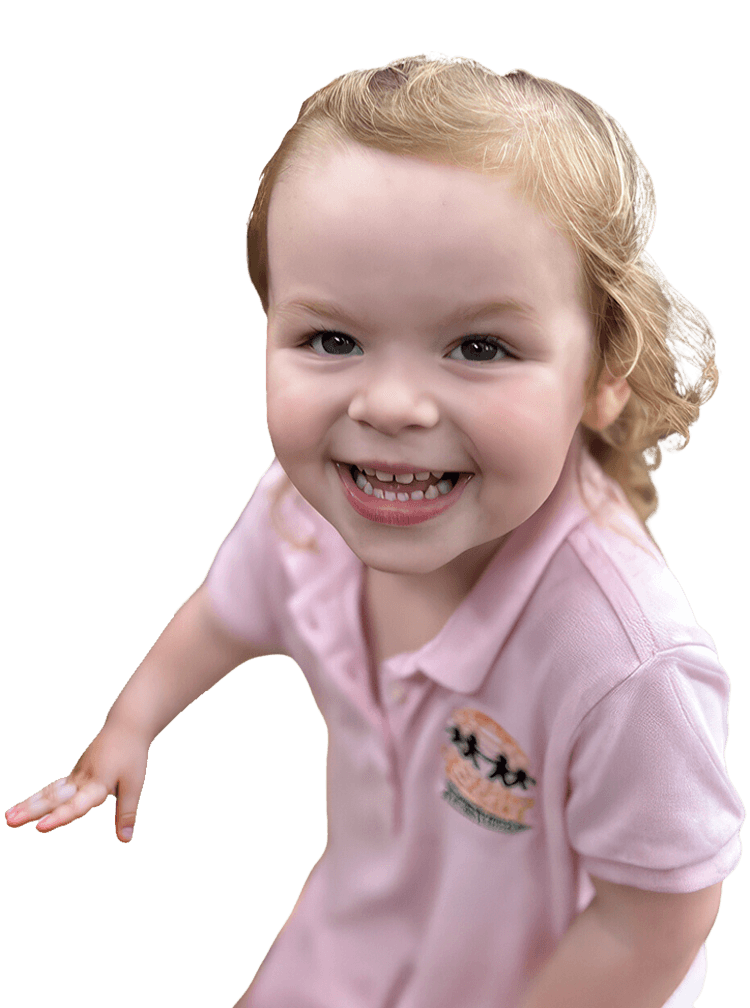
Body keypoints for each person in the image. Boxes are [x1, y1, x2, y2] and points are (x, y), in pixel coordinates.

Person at [5, 54, 744, 1008]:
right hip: (363, 930)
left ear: (603, 371)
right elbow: (228, 612)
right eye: (331, 338)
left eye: (480, 347)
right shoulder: (305, 511)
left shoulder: (625, 657)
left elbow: (661, 917)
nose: (390, 405)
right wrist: (131, 725)